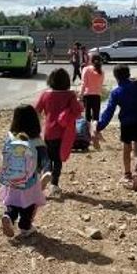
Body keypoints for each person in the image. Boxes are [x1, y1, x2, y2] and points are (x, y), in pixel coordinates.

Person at [94, 65, 137, 191]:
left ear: (116, 77)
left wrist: (100, 126)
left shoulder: (116, 92)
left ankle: (127, 174)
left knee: (126, 148)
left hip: (126, 124)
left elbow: (109, 111)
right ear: (129, 74)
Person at [0, 105, 49, 238]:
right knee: (29, 204)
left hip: (11, 178)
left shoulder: (11, 138)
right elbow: (43, 162)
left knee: (12, 202)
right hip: (30, 180)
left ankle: (8, 216)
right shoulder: (37, 142)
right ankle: (25, 227)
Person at [35, 68, 83, 198]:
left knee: (48, 157)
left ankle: (47, 172)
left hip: (49, 132)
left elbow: (36, 111)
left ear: (51, 80)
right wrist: (79, 99)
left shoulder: (45, 94)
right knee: (58, 159)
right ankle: (54, 184)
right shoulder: (70, 95)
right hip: (64, 133)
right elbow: (78, 111)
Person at [80, 54, 105, 128]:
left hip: (87, 95)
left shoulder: (86, 69)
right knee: (96, 115)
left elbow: (83, 83)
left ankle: (88, 130)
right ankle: (94, 130)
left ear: (91, 60)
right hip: (97, 95)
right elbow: (101, 84)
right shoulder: (101, 71)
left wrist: (80, 95)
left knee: (87, 115)